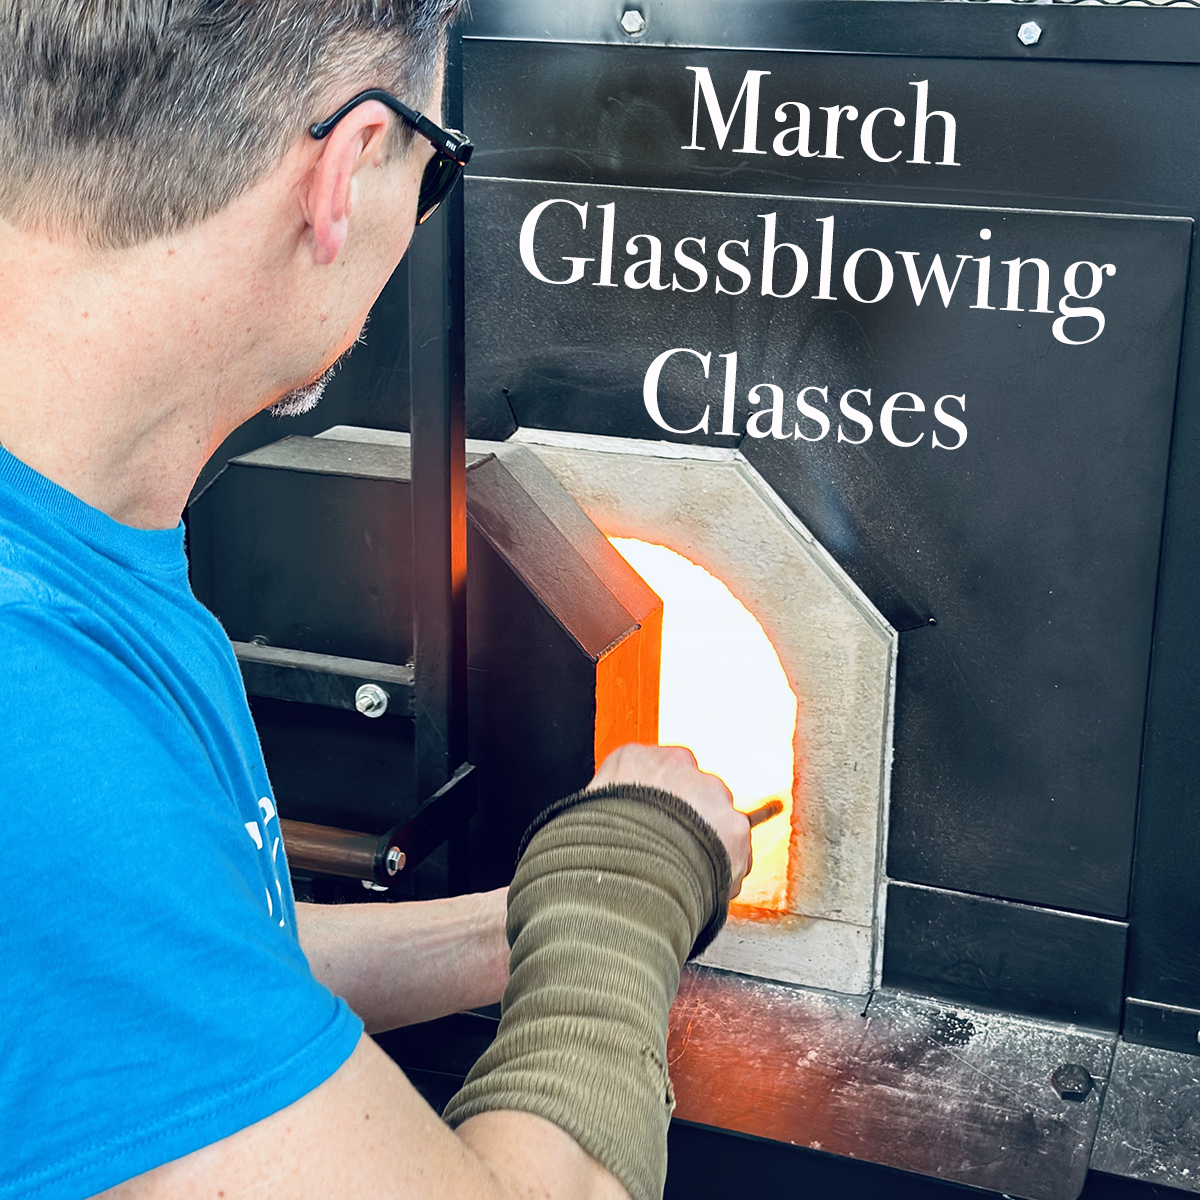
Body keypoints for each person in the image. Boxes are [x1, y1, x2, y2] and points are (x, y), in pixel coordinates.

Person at [0, 5, 752, 1200]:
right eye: (434, 168)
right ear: (345, 169)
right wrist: (630, 880)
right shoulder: (36, 713)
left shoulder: (74, 556)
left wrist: (528, 924)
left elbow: (182, 958)